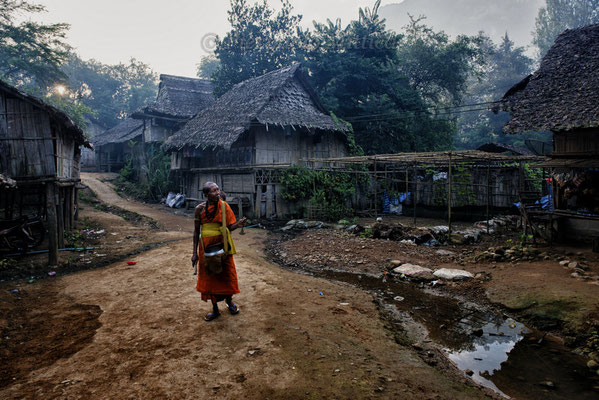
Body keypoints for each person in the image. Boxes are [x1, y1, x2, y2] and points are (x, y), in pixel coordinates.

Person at [191, 182, 246, 321]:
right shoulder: (199, 209)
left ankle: (229, 302)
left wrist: (238, 224)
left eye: (218, 190)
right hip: (206, 247)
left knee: (227, 273)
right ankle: (215, 310)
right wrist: (194, 253)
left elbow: (230, 226)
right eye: (213, 190)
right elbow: (196, 231)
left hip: (223, 245)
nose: (217, 192)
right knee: (210, 277)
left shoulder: (224, 206)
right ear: (206, 194)